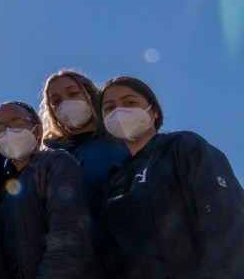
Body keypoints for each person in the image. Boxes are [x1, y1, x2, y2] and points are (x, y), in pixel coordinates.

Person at [99, 76, 244, 278]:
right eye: (109, 108)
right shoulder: (115, 179)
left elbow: (228, 219)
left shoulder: (184, 147)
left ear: (154, 111)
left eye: (130, 102)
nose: (119, 112)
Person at [0, 101, 94, 278]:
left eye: (17, 124)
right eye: (0, 128)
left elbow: (68, 239)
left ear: (37, 131)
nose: (8, 132)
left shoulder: (55, 164)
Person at [39, 69, 129, 257]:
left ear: (90, 94)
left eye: (73, 94)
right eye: (56, 101)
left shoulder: (121, 142)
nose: (65, 103)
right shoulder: (49, 158)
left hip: (125, 258)